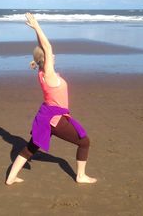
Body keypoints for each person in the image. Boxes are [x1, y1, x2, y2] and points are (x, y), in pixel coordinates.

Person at [6, 13, 97, 185]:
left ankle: (11, 178)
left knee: (31, 147)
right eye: (51, 56)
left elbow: (43, 49)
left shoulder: (41, 72)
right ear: (46, 60)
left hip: (45, 116)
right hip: (55, 120)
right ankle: (80, 176)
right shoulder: (48, 74)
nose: (54, 55)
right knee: (84, 142)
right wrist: (37, 26)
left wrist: (35, 32)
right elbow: (47, 47)